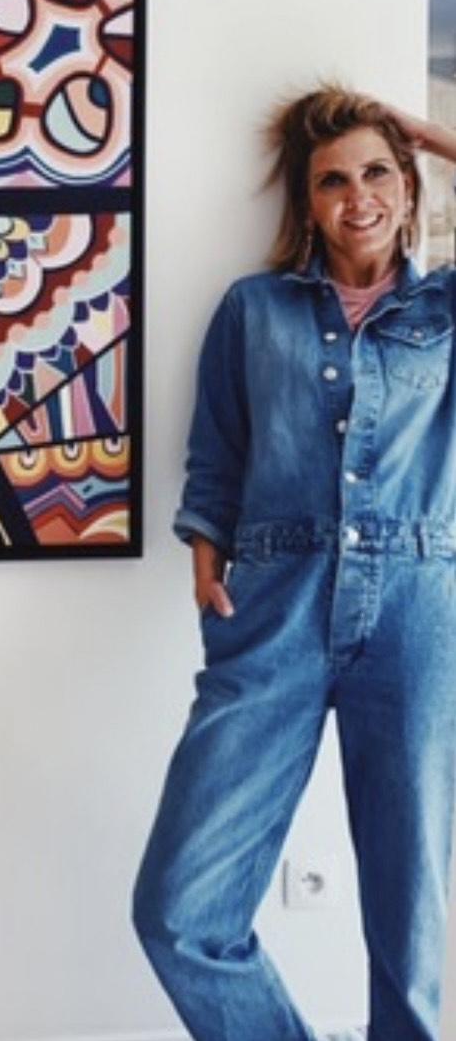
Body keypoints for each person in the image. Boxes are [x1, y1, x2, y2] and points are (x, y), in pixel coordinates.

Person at [132, 85, 456, 1041]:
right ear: (306, 203)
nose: (359, 197)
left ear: (408, 187)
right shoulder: (254, 309)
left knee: (410, 909)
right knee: (180, 909)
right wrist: (206, 560)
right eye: (332, 181)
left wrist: (436, 139)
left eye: (378, 173)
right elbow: (217, 455)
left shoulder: (446, 308)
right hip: (272, 604)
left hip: (418, 602)